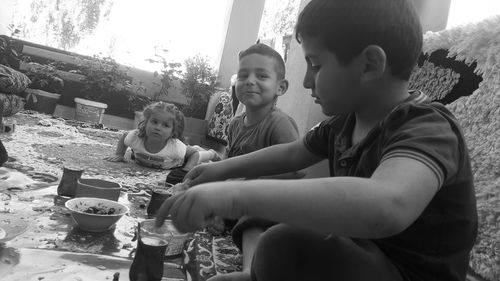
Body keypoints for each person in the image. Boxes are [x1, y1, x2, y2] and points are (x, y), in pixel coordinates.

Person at [156, 0, 478, 281]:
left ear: (369, 65)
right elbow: (293, 153)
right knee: (283, 229)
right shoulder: (343, 123)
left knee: (282, 242)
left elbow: (388, 205)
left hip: (404, 273)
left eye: (316, 64)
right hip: (359, 256)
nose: (307, 81)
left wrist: (235, 196)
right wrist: (219, 172)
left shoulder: (426, 125)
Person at [105, 101, 218, 171]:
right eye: (154, 122)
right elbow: (124, 136)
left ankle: (211, 153)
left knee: (197, 154)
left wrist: (187, 169)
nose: (158, 127)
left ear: (173, 132)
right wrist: (119, 154)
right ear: (145, 122)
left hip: (180, 159)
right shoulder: (136, 137)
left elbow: (194, 154)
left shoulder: (175, 147)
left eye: (165, 125)